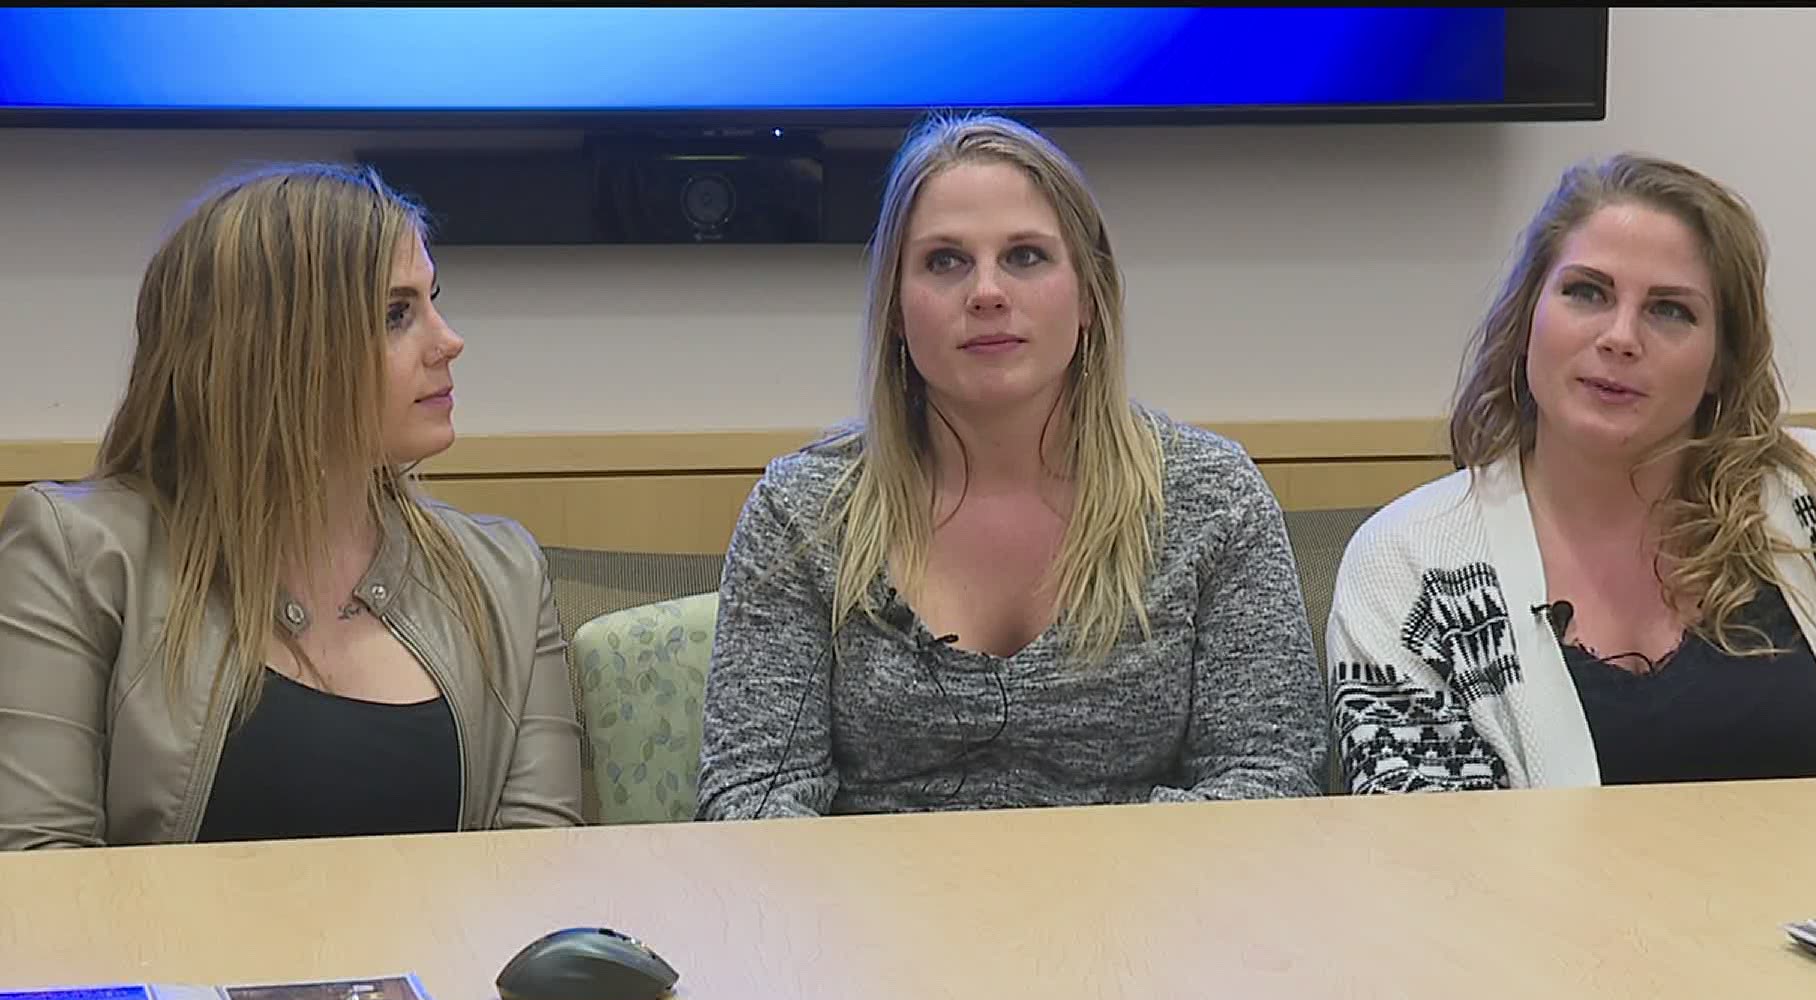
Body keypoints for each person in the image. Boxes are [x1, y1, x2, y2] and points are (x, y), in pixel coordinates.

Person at [697, 113, 1326, 819]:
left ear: (1089, 295)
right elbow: (750, 801)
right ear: (897, 311)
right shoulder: (804, 511)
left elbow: (1270, 777)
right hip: (872, 919)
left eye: (1026, 256)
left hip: (1148, 914)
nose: (987, 292)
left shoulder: (1212, 497)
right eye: (945, 261)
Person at [0, 163, 584, 848]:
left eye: (433, 300)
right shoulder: (77, 556)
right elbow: (37, 875)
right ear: (275, 350)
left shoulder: (503, 575)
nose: (448, 341)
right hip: (166, 958)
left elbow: (541, 878)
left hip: (447, 960)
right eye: (397, 314)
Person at [1324, 152, 1816, 793]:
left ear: (1722, 359)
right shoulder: (1410, 568)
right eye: (1587, 292)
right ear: (1529, 320)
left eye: (1670, 310)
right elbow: (1430, 860)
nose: (1620, 336)